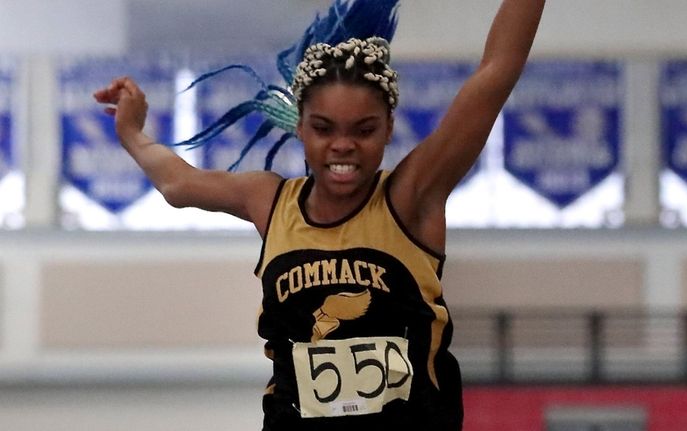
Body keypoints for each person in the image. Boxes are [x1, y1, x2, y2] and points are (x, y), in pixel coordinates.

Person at [94, 0, 544, 429]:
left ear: (388, 127)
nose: (342, 146)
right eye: (324, 129)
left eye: (363, 130)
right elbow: (178, 185)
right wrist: (132, 133)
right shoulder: (271, 201)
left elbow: (495, 73)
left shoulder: (410, 197)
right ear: (300, 128)